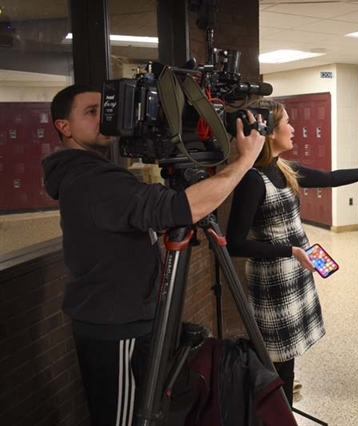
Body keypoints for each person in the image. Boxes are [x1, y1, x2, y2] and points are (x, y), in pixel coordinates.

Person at [42, 84, 265, 426]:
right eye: (90, 112)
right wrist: (243, 160)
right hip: (117, 325)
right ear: (64, 127)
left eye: (106, 109)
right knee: (123, 420)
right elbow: (184, 208)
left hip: (126, 314)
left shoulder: (93, 173)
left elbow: (147, 214)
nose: (104, 118)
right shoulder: (91, 179)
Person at [225, 98, 358, 405]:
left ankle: (285, 408)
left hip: (296, 270)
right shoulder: (253, 180)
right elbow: (235, 243)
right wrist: (291, 250)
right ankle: (274, 412)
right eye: (288, 124)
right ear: (269, 132)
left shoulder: (282, 167)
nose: (294, 129)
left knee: (290, 357)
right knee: (275, 359)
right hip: (274, 280)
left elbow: (331, 178)